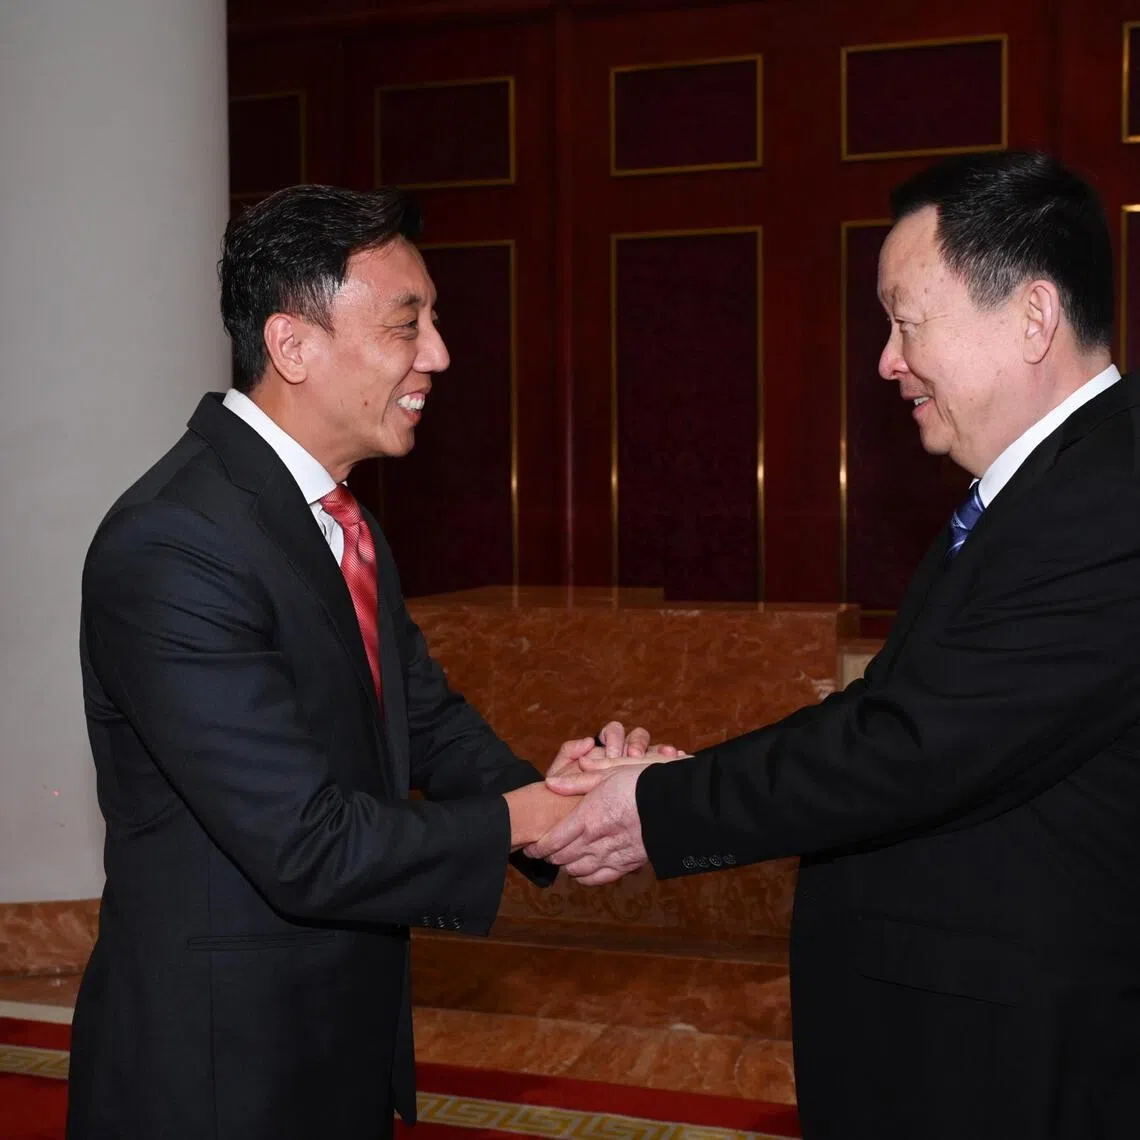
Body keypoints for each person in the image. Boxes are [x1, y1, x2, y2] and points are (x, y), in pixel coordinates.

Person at [530, 151, 1140, 1139]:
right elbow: (904, 720)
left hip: (1016, 1066)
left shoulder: (1106, 497)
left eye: (907, 322)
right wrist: (684, 775)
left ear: (1032, 319)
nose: (887, 360)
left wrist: (658, 807)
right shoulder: (1047, 489)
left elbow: (916, 746)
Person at [70, 184, 657, 1140]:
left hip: (337, 1039)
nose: (439, 355)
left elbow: (423, 721)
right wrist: (536, 815)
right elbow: (305, 844)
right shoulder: (173, 542)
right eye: (406, 324)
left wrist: (557, 797)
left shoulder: (343, 517)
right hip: (219, 1071)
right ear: (293, 345)